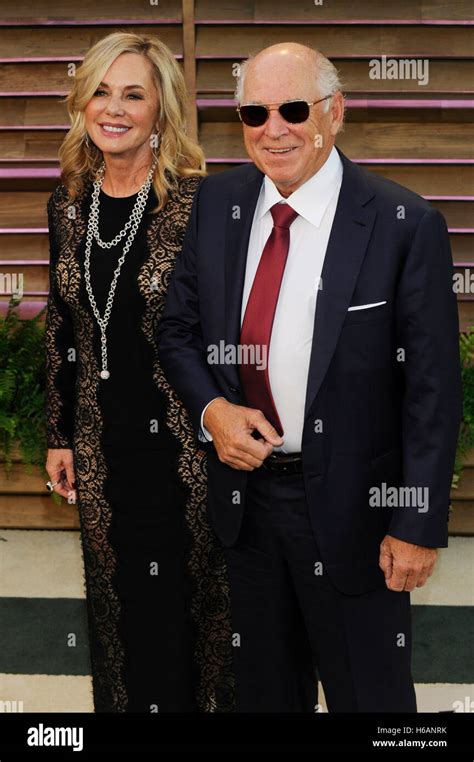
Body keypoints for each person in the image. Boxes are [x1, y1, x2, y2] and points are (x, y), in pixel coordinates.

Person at [156, 43, 463, 712]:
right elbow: (176, 331)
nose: (274, 129)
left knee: (373, 701)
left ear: (336, 112)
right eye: (254, 112)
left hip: (359, 517)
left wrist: (415, 523)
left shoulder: (404, 222)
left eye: (294, 109)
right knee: (266, 696)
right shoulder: (218, 202)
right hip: (246, 507)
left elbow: (434, 391)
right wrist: (213, 411)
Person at [44, 31, 233, 713]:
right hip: (103, 454)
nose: (113, 108)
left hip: (188, 457)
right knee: (117, 621)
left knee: (192, 625)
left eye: (134, 94)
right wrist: (61, 433)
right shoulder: (67, 203)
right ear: (82, 102)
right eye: (101, 90)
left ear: (163, 110)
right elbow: (63, 327)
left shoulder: (200, 204)